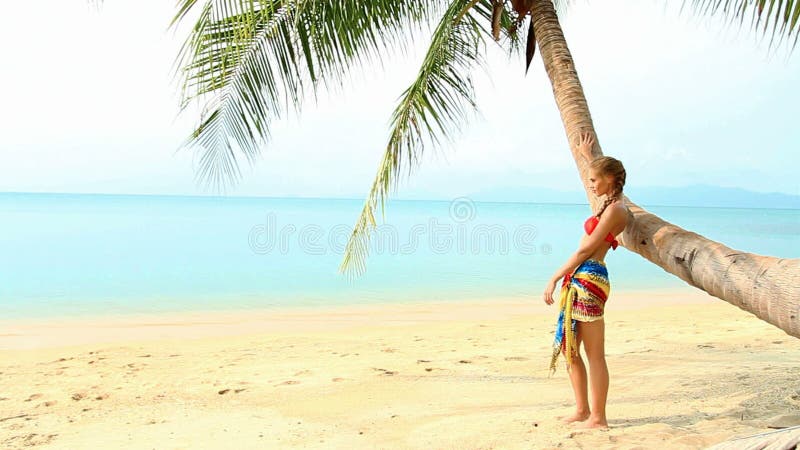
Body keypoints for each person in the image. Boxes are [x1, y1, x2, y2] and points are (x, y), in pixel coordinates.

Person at [542, 131, 628, 430]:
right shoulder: (607, 203)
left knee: (594, 354)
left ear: (610, 179)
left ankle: (598, 418)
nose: (591, 185)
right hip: (578, 277)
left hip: (589, 278)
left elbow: (586, 248)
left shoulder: (618, 209)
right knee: (569, 349)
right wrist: (587, 156)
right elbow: (597, 179)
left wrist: (555, 275)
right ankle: (581, 410)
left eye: (594, 180)